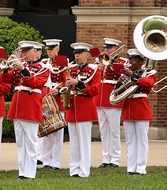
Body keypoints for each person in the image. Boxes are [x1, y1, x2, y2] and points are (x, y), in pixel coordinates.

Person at [3, 42, 50, 179]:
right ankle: (22, 172)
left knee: (30, 142)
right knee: (20, 143)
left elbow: (35, 83)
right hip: (18, 106)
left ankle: (30, 173)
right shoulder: (20, 66)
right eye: (22, 51)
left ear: (35, 51)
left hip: (30, 106)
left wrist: (23, 68)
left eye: (26, 51)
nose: (23, 54)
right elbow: (6, 80)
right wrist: (6, 67)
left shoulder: (43, 67)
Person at [65, 42, 101, 178]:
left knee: (84, 142)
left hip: (85, 107)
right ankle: (74, 169)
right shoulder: (71, 68)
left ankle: (84, 170)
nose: (77, 55)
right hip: (72, 107)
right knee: (73, 142)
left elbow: (94, 90)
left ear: (87, 54)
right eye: (75, 53)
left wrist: (78, 84)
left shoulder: (94, 70)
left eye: (80, 53)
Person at [121, 49, 156, 175]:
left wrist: (132, 75)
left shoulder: (149, 72)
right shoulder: (127, 73)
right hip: (128, 107)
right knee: (130, 140)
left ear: (141, 61)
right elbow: (119, 90)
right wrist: (121, 81)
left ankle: (141, 168)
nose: (130, 61)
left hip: (141, 106)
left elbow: (148, 84)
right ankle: (131, 167)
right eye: (129, 59)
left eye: (134, 59)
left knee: (142, 140)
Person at [96, 37, 127, 168]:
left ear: (115, 49)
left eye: (109, 48)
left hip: (112, 98)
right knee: (103, 131)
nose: (106, 50)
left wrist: (111, 63)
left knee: (114, 131)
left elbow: (122, 77)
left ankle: (114, 159)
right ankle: (105, 157)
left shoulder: (122, 62)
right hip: (100, 98)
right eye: (105, 48)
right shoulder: (100, 61)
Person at [40, 39, 65, 170]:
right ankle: (46, 161)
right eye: (48, 49)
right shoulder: (43, 62)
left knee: (57, 131)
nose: (49, 51)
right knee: (47, 131)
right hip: (45, 96)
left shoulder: (63, 61)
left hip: (57, 98)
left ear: (58, 48)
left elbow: (66, 80)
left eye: (51, 48)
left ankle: (55, 162)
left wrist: (59, 90)